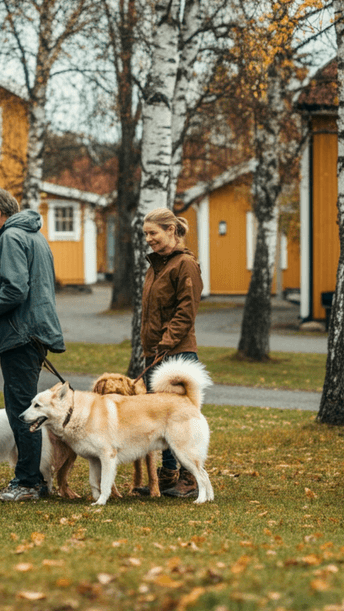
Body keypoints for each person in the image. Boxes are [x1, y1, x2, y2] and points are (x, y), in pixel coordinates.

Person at [0, 186, 65, 502]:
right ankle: (33, 480)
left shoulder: (12, 238)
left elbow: (15, 290)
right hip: (34, 332)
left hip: (21, 334)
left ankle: (27, 482)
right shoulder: (35, 237)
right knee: (25, 405)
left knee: (23, 409)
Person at [139, 207, 204, 499]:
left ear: (171, 231)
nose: (149, 239)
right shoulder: (157, 265)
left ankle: (190, 478)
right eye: (146, 234)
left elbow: (186, 312)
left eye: (153, 233)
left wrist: (165, 344)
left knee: (181, 421)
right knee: (161, 418)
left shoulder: (185, 265)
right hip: (156, 353)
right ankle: (168, 477)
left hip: (177, 355)